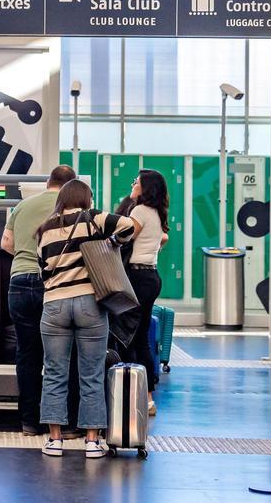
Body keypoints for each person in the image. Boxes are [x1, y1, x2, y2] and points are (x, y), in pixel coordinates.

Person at [36, 179, 139, 459]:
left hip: (54, 305)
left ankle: (55, 440)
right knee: (91, 373)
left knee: (54, 373)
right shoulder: (93, 218)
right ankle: (92, 442)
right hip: (89, 303)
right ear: (85, 199)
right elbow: (128, 226)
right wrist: (112, 242)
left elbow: (42, 268)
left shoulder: (46, 228)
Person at [1, 165, 76, 436]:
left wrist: (25, 255)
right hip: (53, 284)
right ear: (71, 187)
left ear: (48, 182)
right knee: (60, 354)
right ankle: (62, 422)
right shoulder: (71, 209)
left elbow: (6, 243)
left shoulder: (23, 205)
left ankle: (30, 422)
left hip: (19, 283)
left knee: (27, 353)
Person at [116, 169, 169, 416]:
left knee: (127, 335)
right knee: (141, 338)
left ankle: (129, 396)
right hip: (151, 277)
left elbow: (125, 237)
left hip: (136, 278)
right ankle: (146, 398)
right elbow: (161, 239)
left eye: (136, 182)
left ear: (145, 188)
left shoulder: (138, 211)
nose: (133, 184)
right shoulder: (156, 212)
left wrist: (108, 239)